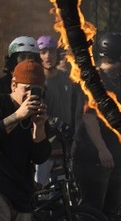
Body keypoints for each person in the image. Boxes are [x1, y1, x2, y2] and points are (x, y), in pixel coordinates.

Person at [0, 60, 52, 221]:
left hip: (21, 197)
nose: (30, 95)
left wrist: (39, 127)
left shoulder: (37, 114)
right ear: (14, 85)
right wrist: (18, 116)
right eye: (26, 89)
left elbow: (40, 157)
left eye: (36, 90)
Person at [73, 32, 121, 220]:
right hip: (94, 159)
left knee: (111, 214)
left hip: (116, 158)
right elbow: (89, 117)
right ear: (120, 57)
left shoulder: (120, 82)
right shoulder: (94, 80)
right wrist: (102, 149)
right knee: (92, 212)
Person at [35, 34, 77, 188]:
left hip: (65, 146)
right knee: (40, 189)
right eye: (43, 52)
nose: (48, 56)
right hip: (44, 146)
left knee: (63, 191)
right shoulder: (37, 81)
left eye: (52, 51)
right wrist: (54, 122)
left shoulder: (67, 79)